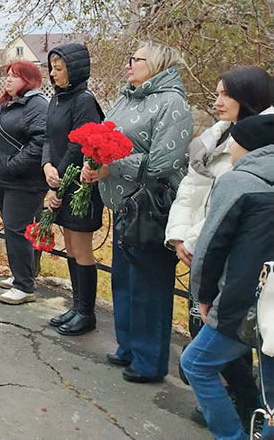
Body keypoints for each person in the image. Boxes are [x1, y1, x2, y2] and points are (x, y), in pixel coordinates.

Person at [166, 65, 272, 425]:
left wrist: (197, 246)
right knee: (213, 343)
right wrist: (180, 234)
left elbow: (225, 213)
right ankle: (236, 407)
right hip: (203, 250)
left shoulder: (256, 142)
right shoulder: (215, 136)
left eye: (226, 93)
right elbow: (193, 190)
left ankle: (242, 415)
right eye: (216, 93)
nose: (218, 100)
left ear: (250, 97)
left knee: (214, 351)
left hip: (229, 267)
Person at [82, 42, 193, 384]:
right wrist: (94, 162)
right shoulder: (127, 96)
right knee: (125, 281)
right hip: (123, 206)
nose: (128, 65)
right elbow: (105, 138)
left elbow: (164, 162)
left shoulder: (172, 103)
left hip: (150, 209)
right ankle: (128, 345)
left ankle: (149, 360)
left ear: (157, 64)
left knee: (149, 286)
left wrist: (112, 165)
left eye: (136, 60)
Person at [42, 45, 105, 335]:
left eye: (59, 68)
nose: (53, 74)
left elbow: (78, 146)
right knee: (69, 245)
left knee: (81, 249)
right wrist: (46, 166)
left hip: (79, 185)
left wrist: (60, 185)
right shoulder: (57, 99)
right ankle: (76, 305)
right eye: (52, 68)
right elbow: (48, 138)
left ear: (74, 69)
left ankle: (86, 313)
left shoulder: (84, 101)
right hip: (58, 180)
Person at [0, 61, 48, 304]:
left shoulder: (36, 105)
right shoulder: (9, 103)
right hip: (3, 179)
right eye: (7, 75)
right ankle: (23, 274)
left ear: (29, 80)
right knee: (15, 229)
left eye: (14, 76)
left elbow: (40, 142)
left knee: (17, 230)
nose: (8, 80)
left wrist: (11, 165)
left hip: (24, 181)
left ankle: (24, 286)